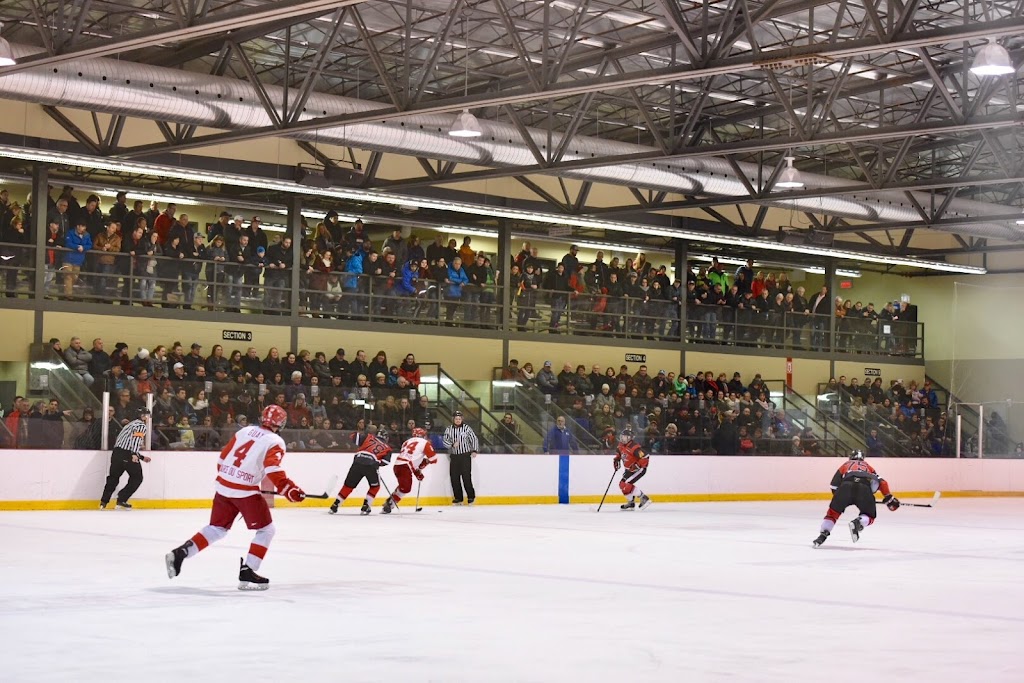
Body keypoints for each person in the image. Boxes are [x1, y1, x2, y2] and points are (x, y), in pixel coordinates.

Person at [164, 404, 306, 590]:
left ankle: (182, 552)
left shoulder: (245, 431)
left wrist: (231, 478)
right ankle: (249, 570)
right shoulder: (275, 441)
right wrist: (289, 489)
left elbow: (223, 458)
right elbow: (272, 468)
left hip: (223, 485)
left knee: (217, 528)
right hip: (244, 491)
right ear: (281, 423)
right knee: (266, 530)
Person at [812, 450, 900, 548]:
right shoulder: (868, 467)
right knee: (870, 516)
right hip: (864, 488)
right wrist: (889, 499)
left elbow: (833, 486)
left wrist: (839, 499)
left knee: (832, 514)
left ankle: (822, 536)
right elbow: (882, 483)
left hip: (845, 487)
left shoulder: (845, 464)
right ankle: (859, 522)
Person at [328, 426, 394, 515]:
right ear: (386, 438)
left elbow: (353, 436)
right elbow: (386, 461)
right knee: (375, 486)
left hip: (358, 461)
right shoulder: (388, 448)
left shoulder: (369, 437)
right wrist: (377, 463)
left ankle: (335, 505)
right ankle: (366, 506)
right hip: (371, 465)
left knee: (348, 486)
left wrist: (362, 431)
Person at [99, 407, 152, 510]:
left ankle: (103, 502)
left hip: (116, 453)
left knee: (113, 477)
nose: (148, 418)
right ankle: (122, 499)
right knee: (137, 478)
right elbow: (135, 441)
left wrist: (141, 457)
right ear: (143, 416)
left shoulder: (130, 424)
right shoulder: (141, 425)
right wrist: (134, 454)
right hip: (128, 454)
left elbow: (125, 442)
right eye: (147, 415)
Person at [382, 427, 437, 514]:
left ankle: (390, 503)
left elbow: (411, 459)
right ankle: (390, 503)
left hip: (397, 465)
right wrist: (424, 463)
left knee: (404, 487)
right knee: (405, 489)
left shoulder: (406, 442)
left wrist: (417, 472)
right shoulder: (425, 443)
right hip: (405, 466)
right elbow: (434, 459)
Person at [443, 410, 479, 505]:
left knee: (466, 477)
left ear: (462, 419)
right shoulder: (449, 429)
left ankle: (471, 497)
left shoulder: (467, 428)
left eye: (459, 419)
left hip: (465, 456)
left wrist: (474, 450)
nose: (458, 420)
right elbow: (445, 441)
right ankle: (458, 498)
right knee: (454, 477)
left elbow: (474, 438)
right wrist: (452, 444)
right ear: (453, 419)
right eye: (456, 419)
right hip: (454, 456)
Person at [612, 426, 651, 510]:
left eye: (625, 437)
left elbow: (645, 457)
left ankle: (644, 498)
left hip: (639, 469)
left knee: (627, 484)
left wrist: (637, 465)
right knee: (622, 485)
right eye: (622, 437)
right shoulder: (620, 445)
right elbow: (619, 453)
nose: (623, 439)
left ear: (630, 438)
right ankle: (631, 503)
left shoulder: (634, 447)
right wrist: (616, 459)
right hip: (629, 469)